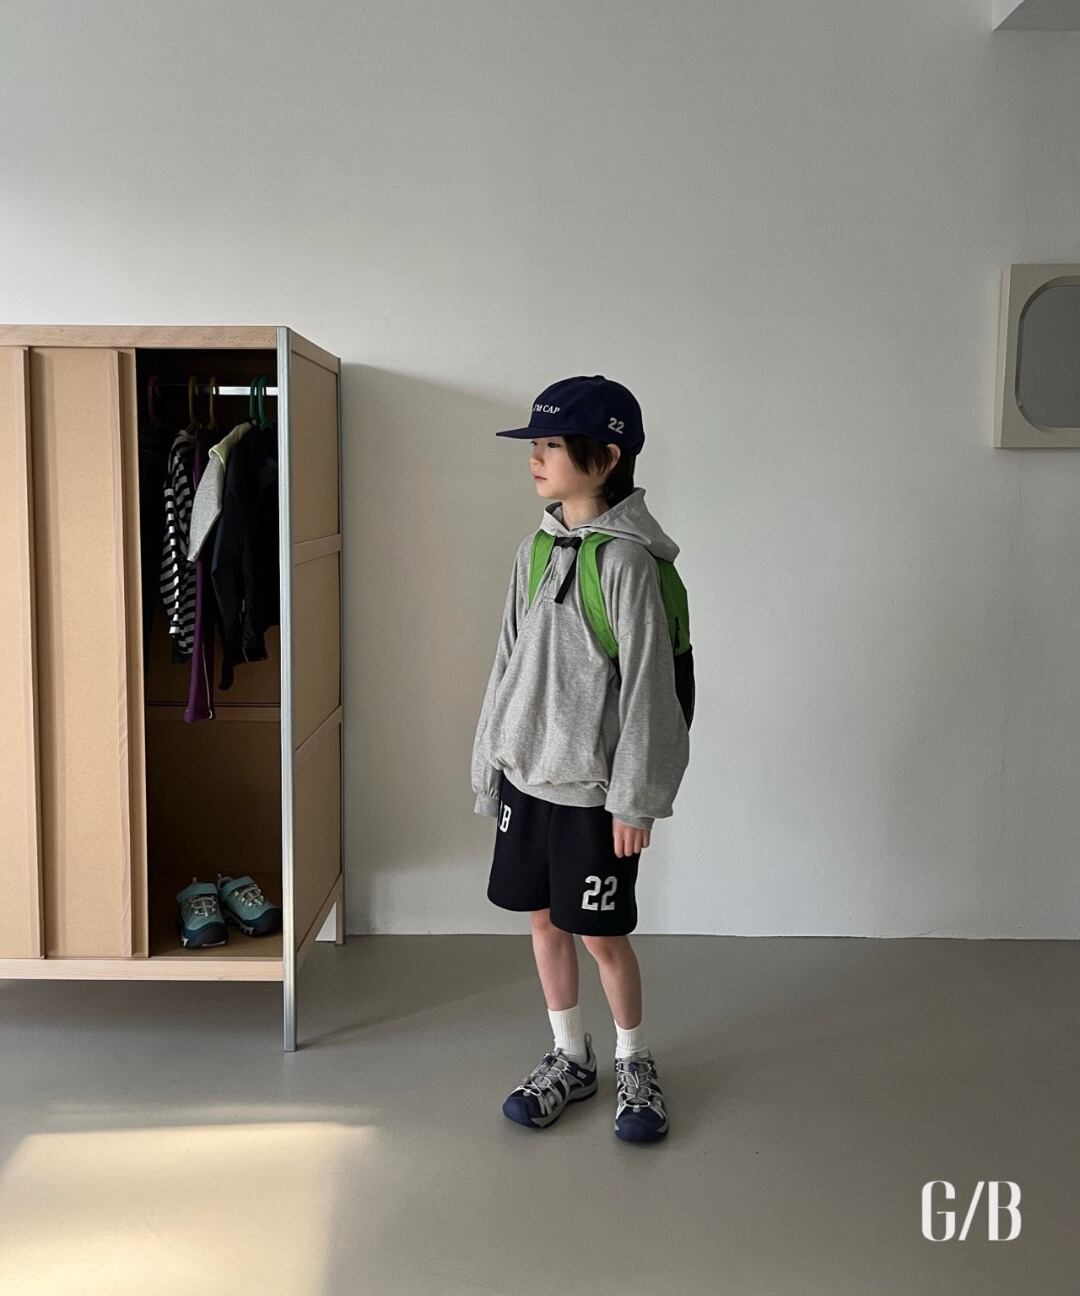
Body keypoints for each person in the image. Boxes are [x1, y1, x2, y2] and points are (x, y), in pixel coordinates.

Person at [470, 374, 691, 1143]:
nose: (536, 459)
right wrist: (490, 765)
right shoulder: (533, 550)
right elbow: (505, 663)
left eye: (552, 445)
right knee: (542, 921)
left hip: (594, 795)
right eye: (534, 445)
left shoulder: (628, 566)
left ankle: (633, 1058)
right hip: (527, 781)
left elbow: (651, 694)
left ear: (607, 456)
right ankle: (571, 1054)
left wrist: (636, 799)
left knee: (601, 935)